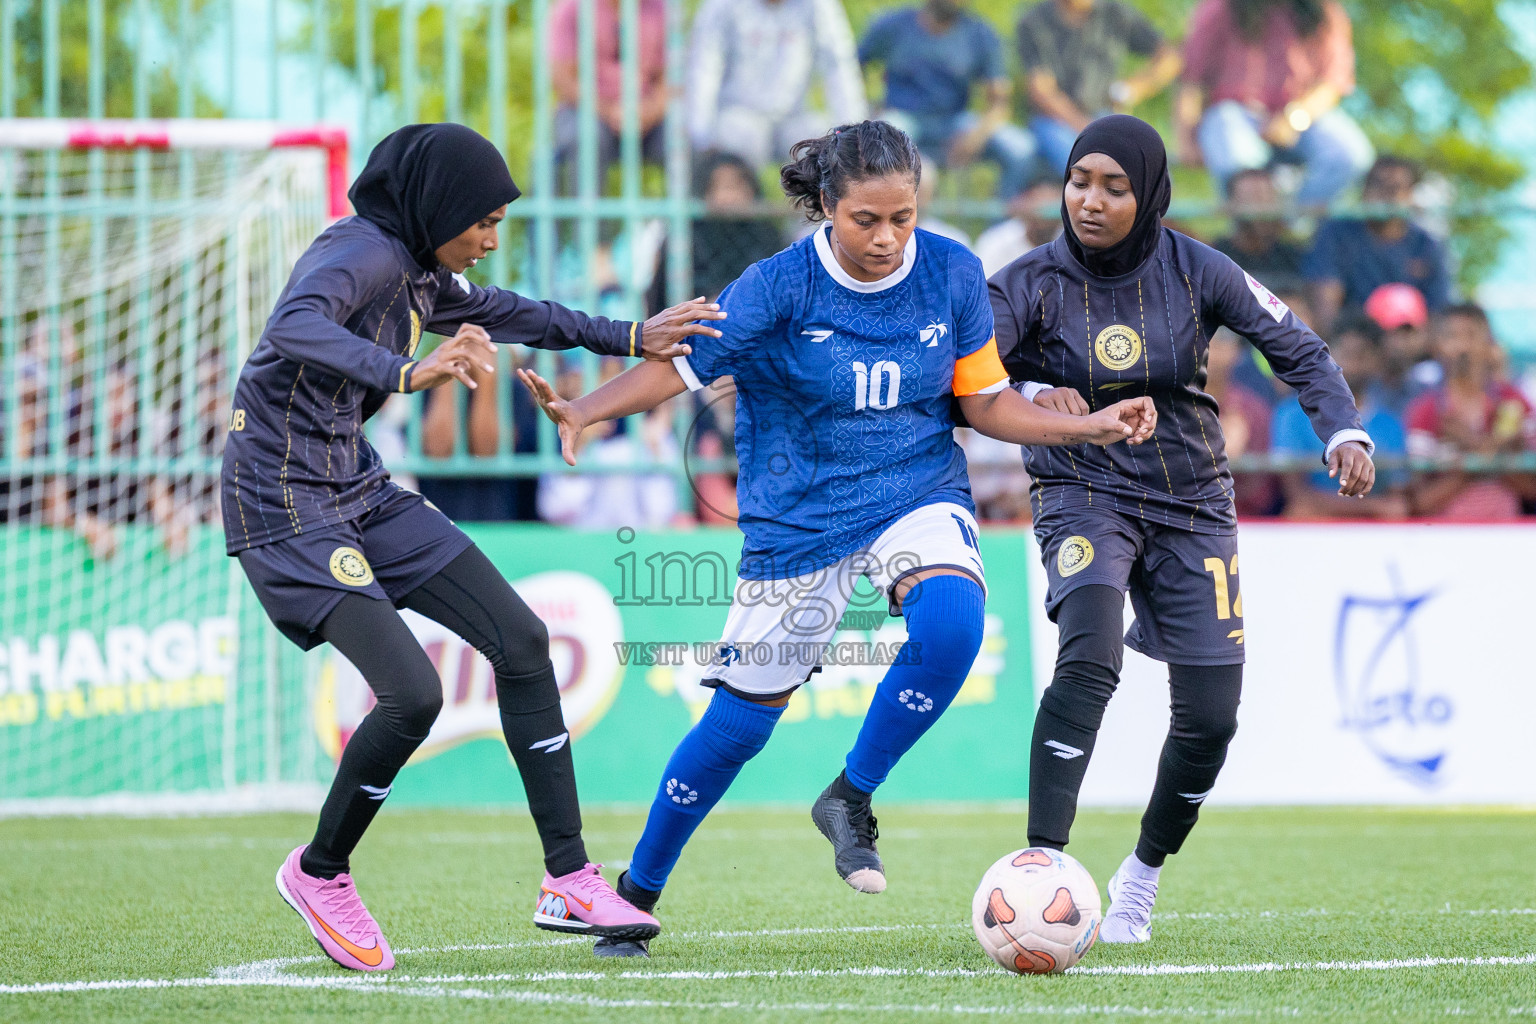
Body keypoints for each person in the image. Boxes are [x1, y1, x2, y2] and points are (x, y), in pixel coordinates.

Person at [518, 119, 1155, 957]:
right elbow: (677, 371)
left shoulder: (953, 272)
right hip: (801, 518)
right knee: (737, 730)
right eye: (867, 220)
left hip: (916, 488)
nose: (889, 239)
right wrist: (586, 411)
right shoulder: (775, 287)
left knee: (954, 625)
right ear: (826, 207)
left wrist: (1086, 427)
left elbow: (984, 403)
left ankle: (851, 795)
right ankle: (636, 891)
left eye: (905, 218)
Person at [222, 123, 725, 973]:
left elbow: (522, 313)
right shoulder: (361, 253)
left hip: (355, 485)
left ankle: (568, 877)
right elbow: (294, 326)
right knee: (411, 693)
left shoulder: (424, 274)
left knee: (524, 642)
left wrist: (633, 337)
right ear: (439, 207)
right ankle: (319, 872)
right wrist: (407, 373)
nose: (492, 238)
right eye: (484, 220)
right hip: (283, 500)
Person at [989, 114, 1375, 944]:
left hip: (1193, 499)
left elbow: (1298, 347)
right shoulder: (1026, 281)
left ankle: (1139, 881)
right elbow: (969, 375)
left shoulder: (1200, 268)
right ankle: (1041, 872)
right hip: (1083, 488)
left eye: (1114, 187)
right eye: (1079, 181)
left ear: (1151, 194)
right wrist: (1026, 382)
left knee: (1211, 717)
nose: (1089, 201)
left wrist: (1342, 430)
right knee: (1088, 656)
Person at [1175, 0, 1373, 206]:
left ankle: (1290, 224)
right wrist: (1186, 138)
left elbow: (1331, 84)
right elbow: (1192, 80)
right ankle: (1254, 225)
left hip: (1304, 116)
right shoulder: (1221, 7)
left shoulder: (1324, 10)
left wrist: (1294, 119)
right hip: (1237, 115)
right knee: (1234, 145)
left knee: (1351, 156)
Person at [859, 1, 1036, 199]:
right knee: (880, 138)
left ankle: (1005, 223)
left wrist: (977, 135)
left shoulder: (979, 33)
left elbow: (999, 102)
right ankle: (886, 216)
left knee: (1020, 148)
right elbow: (851, 68)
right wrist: (867, 109)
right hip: (903, 118)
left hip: (955, 121)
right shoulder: (894, 25)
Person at [687, 0, 867, 168]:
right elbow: (705, 67)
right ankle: (741, 201)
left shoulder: (817, 4)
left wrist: (853, 134)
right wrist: (701, 133)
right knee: (735, 140)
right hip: (739, 117)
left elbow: (838, 66)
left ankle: (815, 201)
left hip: (794, 118)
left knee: (827, 147)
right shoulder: (722, 5)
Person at [1014, 0, 1181, 179]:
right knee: (1088, 168)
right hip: (1053, 122)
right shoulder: (1035, 21)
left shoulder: (1115, 13)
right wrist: (1089, 128)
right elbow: (1042, 92)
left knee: (1150, 173)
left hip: (1104, 115)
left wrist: (1130, 89)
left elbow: (1169, 59)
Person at [1272, 311, 1408, 518]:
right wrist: (1372, 507)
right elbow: (1297, 495)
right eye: (1345, 353)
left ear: (1377, 361)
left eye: (1361, 355)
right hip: (1316, 524)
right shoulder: (1291, 415)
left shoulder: (1391, 424)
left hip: (1371, 530)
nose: (1351, 364)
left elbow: (1395, 498)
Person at [1406, 303, 1536, 521]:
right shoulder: (1426, 411)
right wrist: (1492, 451)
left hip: (1511, 538)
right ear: (1436, 347)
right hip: (1446, 539)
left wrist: (1471, 447)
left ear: (1489, 344)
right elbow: (1421, 501)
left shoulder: (1514, 403)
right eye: (1452, 337)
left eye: (1471, 335)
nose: (1462, 346)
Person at [1306, 156, 1453, 333]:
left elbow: (1439, 313)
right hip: (1352, 341)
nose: (1386, 195)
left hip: (1408, 341)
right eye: (1378, 185)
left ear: (1410, 195)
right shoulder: (1336, 234)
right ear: (1364, 191)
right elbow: (1325, 308)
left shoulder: (1427, 245)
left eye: (1396, 188)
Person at [549, 0, 669, 195]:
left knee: (686, 140)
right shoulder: (571, 7)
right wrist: (609, 110)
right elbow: (562, 79)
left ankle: (695, 225)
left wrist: (650, 110)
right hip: (584, 110)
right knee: (587, 139)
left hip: (648, 116)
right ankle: (588, 224)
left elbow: (671, 76)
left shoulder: (660, 8)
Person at [1212, 167, 1307, 295]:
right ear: (1231, 207)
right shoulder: (1215, 258)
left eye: (1269, 198)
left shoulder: (1294, 257)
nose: (1263, 211)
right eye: (1253, 199)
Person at [974, 180, 1062, 278]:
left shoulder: (1070, 242)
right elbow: (986, 286)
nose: (1046, 223)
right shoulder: (996, 241)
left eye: (1051, 215)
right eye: (1041, 212)